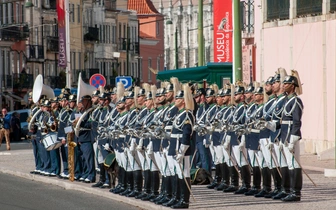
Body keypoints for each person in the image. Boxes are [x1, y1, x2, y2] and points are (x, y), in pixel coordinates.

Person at [280, 70, 304, 202]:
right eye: (284, 83)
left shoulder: (296, 101)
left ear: (293, 86)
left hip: (291, 136)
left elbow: (296, 121)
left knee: (295, 164)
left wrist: (293, 139)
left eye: (287, 83)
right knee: (289, 164)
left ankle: (296, 192)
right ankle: (289, 190)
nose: (284, 85)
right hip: (285, 136)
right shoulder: (286, 101)